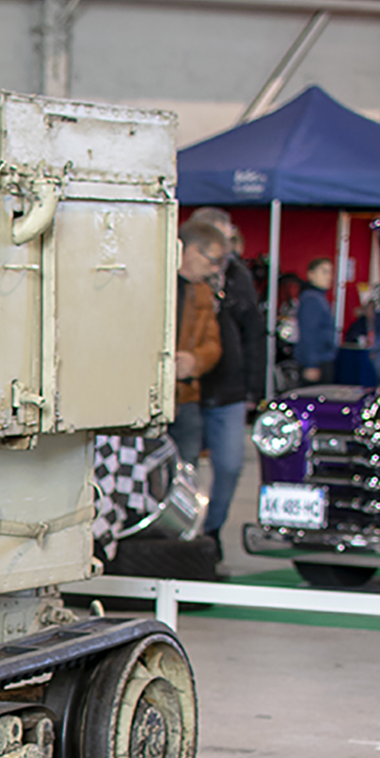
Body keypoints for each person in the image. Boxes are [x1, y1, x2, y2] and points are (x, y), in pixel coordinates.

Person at [186, 206, 264, 546]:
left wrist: (255, 388)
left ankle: (212, 532)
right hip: (187, 390)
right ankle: (183, 534)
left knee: (230, 466)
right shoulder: (185, 281)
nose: (223, 252)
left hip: (229, 390)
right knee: (183, 468)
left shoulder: (237, 278)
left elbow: (254, 333)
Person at [171, 219, 226, 560]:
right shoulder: (152, 281)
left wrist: (194, 361)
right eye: (210, 258)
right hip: (147, 399)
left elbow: (213, 345)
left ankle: (184, 536)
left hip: (187, 397)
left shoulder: (202, 292)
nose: (214, 268)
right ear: (189, 251)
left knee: (188, 471)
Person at [296, 257, 338, 384]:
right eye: (324, 272)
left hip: (322, 360)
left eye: (330, 272)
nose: (329, 277)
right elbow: (309, 333)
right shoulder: (311, 299)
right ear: (311, 275)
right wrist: (311, 364)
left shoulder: (318, 298)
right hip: (318, 362)